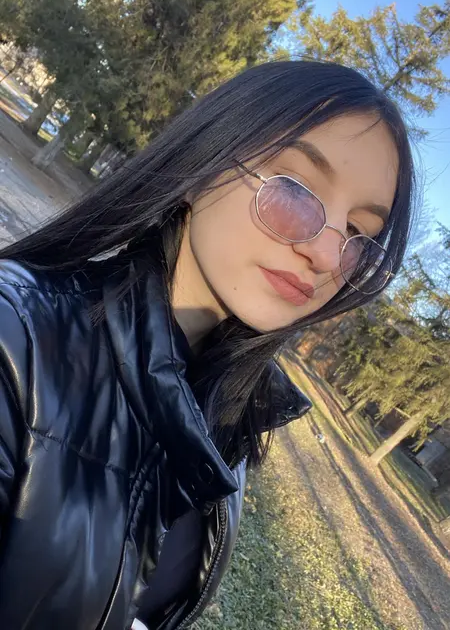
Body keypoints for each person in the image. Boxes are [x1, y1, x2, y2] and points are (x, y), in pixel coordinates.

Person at [0, 59, 415, 630]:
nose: (326, 256)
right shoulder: (15, 343)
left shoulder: (236, 418)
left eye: (358, 234)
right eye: (296, 190)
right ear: (204, 165)